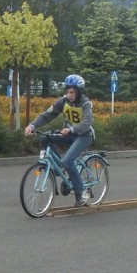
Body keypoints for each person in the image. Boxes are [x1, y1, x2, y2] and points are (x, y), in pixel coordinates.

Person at [24, 74, 94, 207]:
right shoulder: (63, 101)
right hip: (68, 133)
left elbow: (87, 122)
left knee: (68, 160)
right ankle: (58, 168)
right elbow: (47, 115)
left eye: (72, 92)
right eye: (67, 92)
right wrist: (32, 125)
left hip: (84, 136)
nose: (69, 94)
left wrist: (72, 130)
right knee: (44, 138)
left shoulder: (85, 103)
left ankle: (81, 192)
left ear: (79, 92)